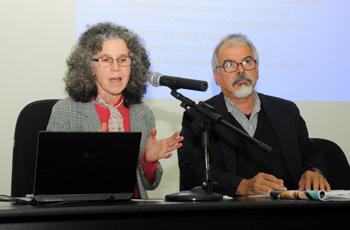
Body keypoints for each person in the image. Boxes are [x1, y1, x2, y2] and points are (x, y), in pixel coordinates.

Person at [177, 33, 330, 197]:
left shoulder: (286, 111)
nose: (241, 70)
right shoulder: (200, 116)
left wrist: (313, 170)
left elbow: (310, 151)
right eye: (230, 64)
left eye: (247, 62)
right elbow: (192, 168)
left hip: (288, 212)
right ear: (217, 76)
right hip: (229, 216)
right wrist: (241, 186)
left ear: (257, 70)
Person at [46, 22, 183, 199]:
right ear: (90, 67)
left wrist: (148, 161)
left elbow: (150, 184)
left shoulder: (142, 113)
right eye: (105, 60)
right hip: (84, 216)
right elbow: (52, 179)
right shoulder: (65, 111)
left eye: (123, 60)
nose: (116, 67)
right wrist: (90, 157)